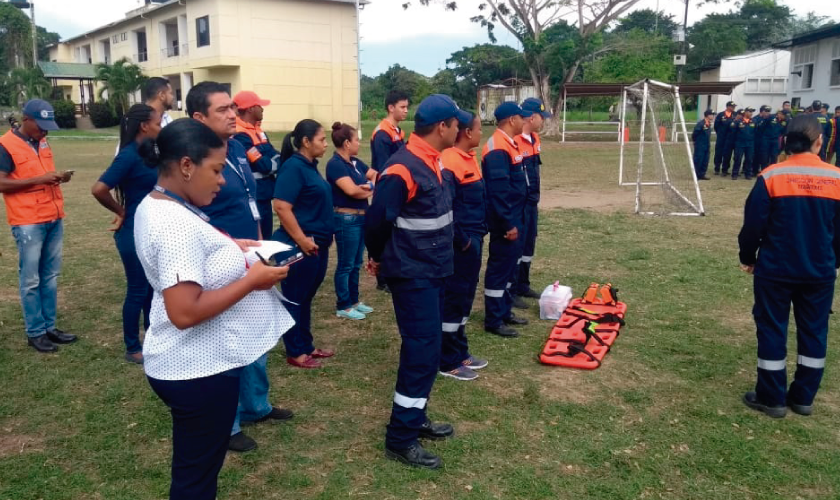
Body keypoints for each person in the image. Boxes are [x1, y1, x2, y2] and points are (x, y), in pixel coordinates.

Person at [133, 118, 293, 499]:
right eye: (217, 170)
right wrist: (252, 280)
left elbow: (189, 257)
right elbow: (184, 312)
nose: (222, 181)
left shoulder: (160, 203)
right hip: (196, 370)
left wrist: (228, 245)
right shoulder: (174, 224)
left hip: (190, 366)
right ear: (187, 166)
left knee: (196, 470)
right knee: (196, 479)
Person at [187, 81, 291, 453]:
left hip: (252, 254)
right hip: (219, 262)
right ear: (198, 118)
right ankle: (226, 425)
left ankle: (255, 406)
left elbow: (250, 203)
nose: (233, 114)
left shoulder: (236, 148)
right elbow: (194, 217)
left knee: (257, 335)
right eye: (222, 110)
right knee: (226, 342)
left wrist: (263, 247)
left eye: (233, 107)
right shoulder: (193, 160)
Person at [365, 94, 468, 469]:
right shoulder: (402, 168)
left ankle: (416, 415)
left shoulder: (432, 160)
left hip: (434, 269)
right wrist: (378, 258)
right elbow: (377, 221)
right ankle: (401, 438)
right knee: (421, 353)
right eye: (456, 124)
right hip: (413, 274)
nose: (459, 129)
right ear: (443, 127)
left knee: (429, 349)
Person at [738, 114, 840, 419]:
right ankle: (803, 397)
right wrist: (833, 261)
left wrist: (748, 257)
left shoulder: (771, 177)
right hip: (819, 272)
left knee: (771, 329)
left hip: (775, 270)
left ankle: (772, 399)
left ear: (786, 141)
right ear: (820, 141)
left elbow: (753, 225)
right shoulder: (836, 178)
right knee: (814, 331)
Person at [0, 99, 75, 353]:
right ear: (26, 119)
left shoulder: (42, 141)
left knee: (50, 277)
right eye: (41, 125)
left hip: (53, 215)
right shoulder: (6, 145)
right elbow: (2, 183)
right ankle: (35, 332)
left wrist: (57, 178)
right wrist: (39, 179)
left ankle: (50, 327)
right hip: (28, 221)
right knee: (31, 279)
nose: (45, 131)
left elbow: (42, 173)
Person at [91, 104, 162, 364]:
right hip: (132, 231)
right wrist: (120, 211)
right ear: (144, 125)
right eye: (157, 122)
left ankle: (154, 337)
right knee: (137, 290)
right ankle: (132, 346)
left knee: (152, 289)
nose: (160, 126)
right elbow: (99, 189)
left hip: (151, 229)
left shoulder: (150, 152)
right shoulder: (129, 155)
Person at [273, 119, 335, 369]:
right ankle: (295, 351)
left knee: (306, 297)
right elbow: (281, 206)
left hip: (317, 245)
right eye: (322, 139)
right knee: (295, 297)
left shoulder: (310, 166)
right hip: (302, 245)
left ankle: (306, 345)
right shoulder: (294, 168)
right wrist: (300, 239)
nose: (326, 143)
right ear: (306, 142)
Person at [439, 111, 489, 381]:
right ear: (468, 133)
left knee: (465, 298)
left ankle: (460, 350)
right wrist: (465, 242)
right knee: (453, 299)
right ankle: (447, 360)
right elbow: (449, 211)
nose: (482, 134)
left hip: (474, 239)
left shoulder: (468, 158)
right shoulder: (449, 162)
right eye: (480, 129)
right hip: (462, 244)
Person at [482, 102, 531, 338]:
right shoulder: (497, 148)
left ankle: (505, 310)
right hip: (506, 222)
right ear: (512, 120)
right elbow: (498, 193)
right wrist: (508, 224)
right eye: (522, 118)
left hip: (516, 216)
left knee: (510, 268)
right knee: (500, 270)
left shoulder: (510, 144)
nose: (525, 122)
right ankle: (493, 319)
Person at [326, 122, 376, 320]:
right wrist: (366, 187)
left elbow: (374, 175)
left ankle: (354, 301)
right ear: (347, 143)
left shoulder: (354, 162)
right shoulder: (335, 164)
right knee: (346, 264)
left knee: (357, 262)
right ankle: (343, 304)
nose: (359, 143)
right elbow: (353, 191)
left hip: (361, 217)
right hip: (346, 219)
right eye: (356, 140)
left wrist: (367, 185)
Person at [370, 90, 410, 293]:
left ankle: (391, 269)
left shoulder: (397, 131)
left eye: (406, 106)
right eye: (402, 107)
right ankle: (382, 277)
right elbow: (385, 165)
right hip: (387, 187)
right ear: (390, 107)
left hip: (398, 186)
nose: (406, 110)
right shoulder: (382, 133)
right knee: (385, 227)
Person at [512, 97, 551, 303]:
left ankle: (523, 284)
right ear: (532, 117)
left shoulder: (535, 139)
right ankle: (512, 287)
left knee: (528, 244)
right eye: (541, 117)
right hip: (520, 203)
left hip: (532, 202)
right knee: (516, 246)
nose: (543, 121)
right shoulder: (515, 141)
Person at [232, 90, 281, 239]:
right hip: (254, 195)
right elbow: (264, 165)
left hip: (265, 194)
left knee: (266, 237)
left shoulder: (259, 131)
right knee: (258, 239)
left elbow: (277, 156)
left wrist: (272, 162)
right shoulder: (240, 134)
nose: (263, 109)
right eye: (259, 105)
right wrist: (274, 164)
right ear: (250, 109)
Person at [115, 77, 175, 156]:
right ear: (162, 95)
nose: (173, 97)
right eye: (170, 93)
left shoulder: (168, 120)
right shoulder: (137, 118)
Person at [731, 107, 757, 180]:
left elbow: (756, 132)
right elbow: (733, 131)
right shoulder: (738, 121)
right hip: (740, 143)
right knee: (737, 159)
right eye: (749, 112)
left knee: (749, 159)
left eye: (752, 112)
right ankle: (735, 174)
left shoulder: (754, 121)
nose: (751, 113)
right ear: (745, 112)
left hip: (750, 143)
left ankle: (748, 174)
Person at [713, 101, 736, 175]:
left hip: (730, 138)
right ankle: (717, 168)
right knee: (718, 153)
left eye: (734, 107)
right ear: (728, 107)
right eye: (732, 106)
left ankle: (725, 169)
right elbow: (716, 126)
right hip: (721, 138)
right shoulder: (721, 115)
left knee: (727, 154)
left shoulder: (735, 115)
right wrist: (720, 134)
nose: (733, 108)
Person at [692, 110, 714, 180]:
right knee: (698, 160)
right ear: (708, 115)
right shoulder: (701, 123)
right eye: (712, 115)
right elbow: (695, 133)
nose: (713, 116)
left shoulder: (708, 124)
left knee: (705, 160)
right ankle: (696, 175)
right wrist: (697, 142)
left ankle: (702, 174)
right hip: (700, 145)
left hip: (706, 144)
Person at [753, 105, 772, 173]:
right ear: (762, 111)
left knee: (764, 156)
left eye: (769, 112)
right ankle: (754, 170)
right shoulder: (756, 119)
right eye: (766, 111)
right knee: (756, 156)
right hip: (757, 140)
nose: (768, 113)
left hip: (765, 140)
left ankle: (763, 170)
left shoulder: (769, 119)